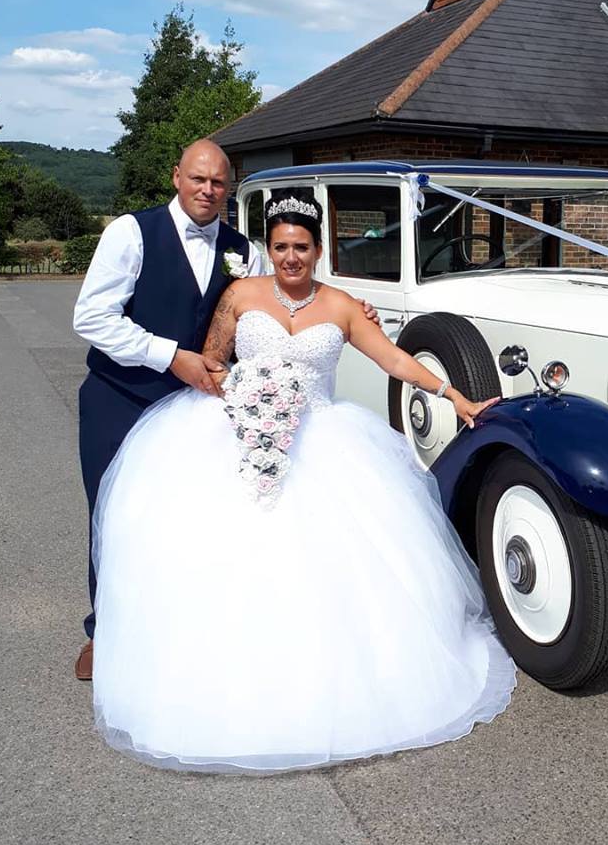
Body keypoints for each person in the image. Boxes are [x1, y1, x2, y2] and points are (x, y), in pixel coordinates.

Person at [89, 198, 515, 772]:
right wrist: (244, 395)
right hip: (240, 434)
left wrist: (457, 398)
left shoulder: (341, 306)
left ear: (319, 251)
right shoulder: (240, 295)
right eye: (282, 246)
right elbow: (212, 361)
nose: (291, 257)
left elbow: (394, 360)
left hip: (322, 439)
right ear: (271, 248)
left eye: (303, 247)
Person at [72, 140, 378, 680]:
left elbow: (266, 312)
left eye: (218, 183)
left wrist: (351, 310)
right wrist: (169, 355)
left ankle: (170, 626)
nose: (208, 191)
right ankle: (105, 631)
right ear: (176, 176)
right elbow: (93, 317)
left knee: (187, 522)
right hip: (121, 397)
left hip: (202, 406)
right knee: (116, 514)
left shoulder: (244, 250)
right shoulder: (131, 232)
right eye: (198, 179)